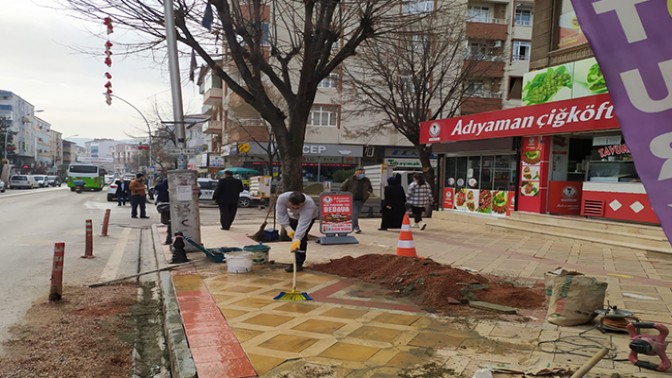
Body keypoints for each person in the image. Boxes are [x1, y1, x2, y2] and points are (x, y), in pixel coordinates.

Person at [276, 191, 318, 272]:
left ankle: (298, 263)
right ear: (288, 201)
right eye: (293, 205)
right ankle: (295, 258)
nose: (295, 207)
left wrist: (297, 239)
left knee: (301, 238)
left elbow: (303, 224)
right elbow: (281, 214)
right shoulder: (282, 198)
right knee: (293, 235)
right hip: (292, 217)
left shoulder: (309, 204)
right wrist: (287, 228)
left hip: (309, 217)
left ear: (303, 203)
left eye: (298, 206)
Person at [339, 167, 372, 233]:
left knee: (356, 214)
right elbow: (342, 188)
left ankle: (351, 225)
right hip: (352, 199)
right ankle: (356, 227)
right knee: (355, 213)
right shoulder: (350, 180)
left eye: (363, 173)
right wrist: (346, 196)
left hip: (361, 200)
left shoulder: (366, 180)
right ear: (356, 173)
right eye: (360, 173)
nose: (361, 174)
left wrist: (368, 193)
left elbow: (370, 188)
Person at [153, 174, 172, 245]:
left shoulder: (165, 182)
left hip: (165, 205)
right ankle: (169, 238)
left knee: (168, 221)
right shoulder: (170, 183)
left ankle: (169, 239)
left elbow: (156, 187)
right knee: (169, 222)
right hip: (169, 204)